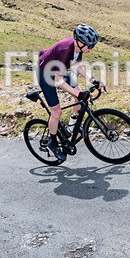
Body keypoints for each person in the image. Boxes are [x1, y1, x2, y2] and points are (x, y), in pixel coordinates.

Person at [37, 24, 104, 162]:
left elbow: (76, 66)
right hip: (46, 74)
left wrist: (93, 80)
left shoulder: (77, 48)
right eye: (90, 46)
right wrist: (78, 93)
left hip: (57, 72)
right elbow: (58, 81)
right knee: (57, 112)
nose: (91, 48)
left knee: (80, 97)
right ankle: (53, 143)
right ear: (80, 42)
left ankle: (71, 127)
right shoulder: (65, 49)